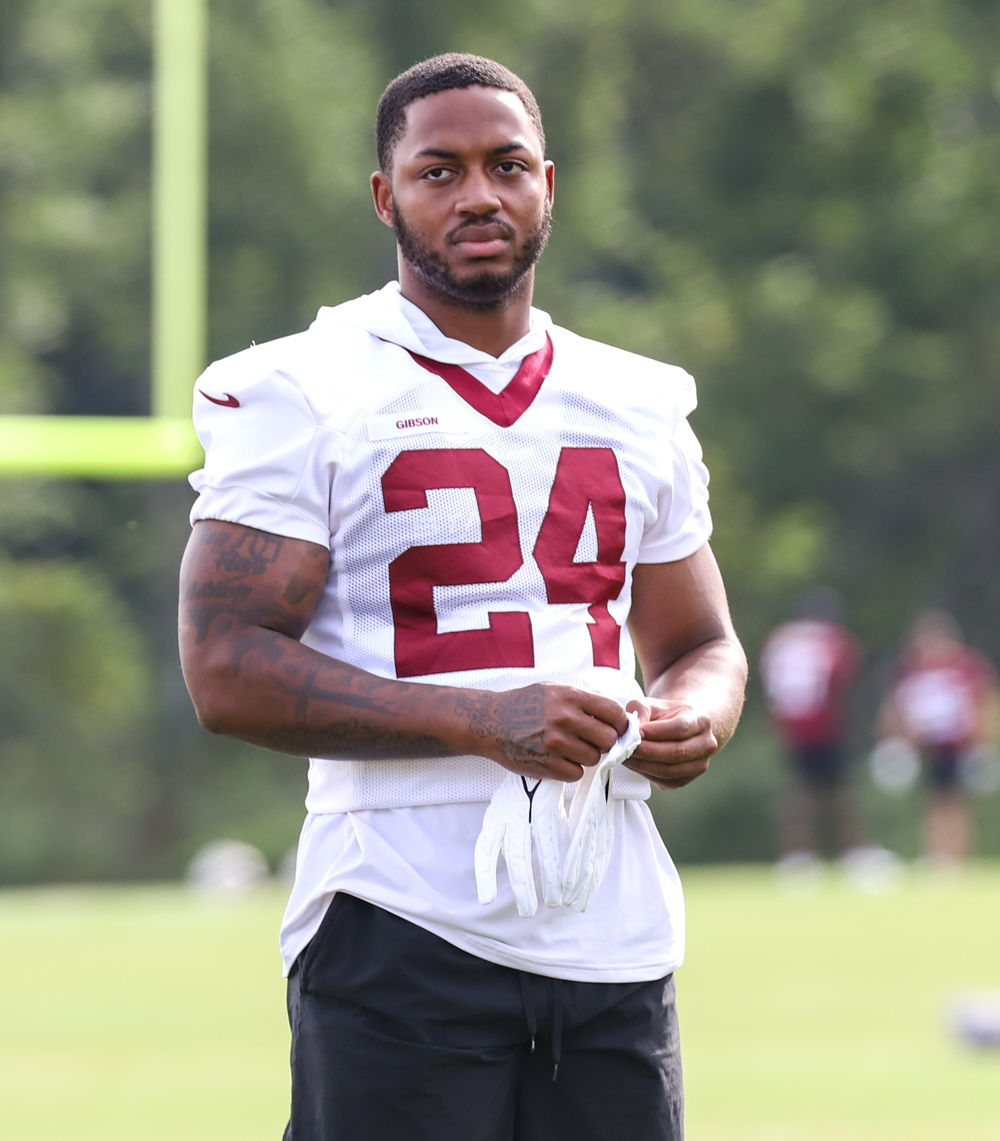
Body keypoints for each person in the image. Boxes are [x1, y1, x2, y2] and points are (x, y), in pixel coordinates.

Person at [178, 54, 747, 1141]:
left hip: (610, 922)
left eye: (507, 165)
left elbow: (701, 639)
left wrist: (694, 714)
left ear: (548, 184)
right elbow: (224, 665)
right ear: (387, 197)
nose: (478, 193)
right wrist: (480, 719)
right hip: (401, 918)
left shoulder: (635, 399)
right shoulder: (303, 388)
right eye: (439, 170)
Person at [879, 610, 997, 865]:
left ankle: (958, 853)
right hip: (928, 744)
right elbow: (898, 704)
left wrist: (982, 738)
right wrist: (900, 737)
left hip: (958, 743)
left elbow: (983, 699)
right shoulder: (912, 668)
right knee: (934, 799)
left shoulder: (965, 664)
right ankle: (937, 853)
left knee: (955, 801)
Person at [759, 588, 866, 868]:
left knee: (801, 789)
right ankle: (850, 852)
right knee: (836, 790)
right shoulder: (831, 641)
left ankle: (798, 854)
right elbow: (841, 681)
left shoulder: (781, 640)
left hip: (790, 726)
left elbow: (770, 684)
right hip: (824, 725)